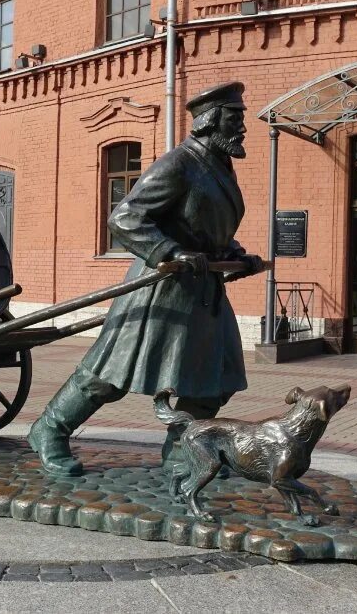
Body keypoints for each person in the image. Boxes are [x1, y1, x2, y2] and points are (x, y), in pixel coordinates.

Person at [28, 82, 262, 476]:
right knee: (108, 375)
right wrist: (169, 252)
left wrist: (235, 255)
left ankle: (181, 455)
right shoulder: (180, 163)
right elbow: (125, 217)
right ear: (210, 121)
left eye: (240, 117)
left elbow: (204, 227)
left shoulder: (219, 166)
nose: (241, 126)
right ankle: (49, 429)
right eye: (234, 117)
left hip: (202, 292)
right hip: (160, 288)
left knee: (210, 381)